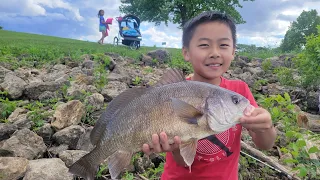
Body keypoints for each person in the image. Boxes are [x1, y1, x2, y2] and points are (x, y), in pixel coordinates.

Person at [141, 11, 277, 180]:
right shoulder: (174, 90)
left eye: (223, 45)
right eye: (204, 45)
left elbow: (265, 144)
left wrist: (265, 126)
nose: (215, 53)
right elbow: (184, 162)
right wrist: (176, 147)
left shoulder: (239, 91)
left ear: (233, 51)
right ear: (186, 52)